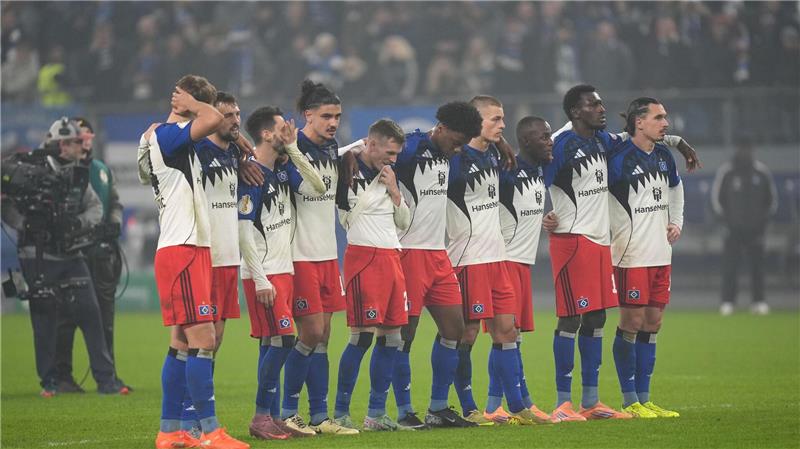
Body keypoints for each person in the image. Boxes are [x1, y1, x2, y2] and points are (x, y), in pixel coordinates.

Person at [545, 84, 699, 421]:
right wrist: (543, 214)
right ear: (575, 112)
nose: (602, 108)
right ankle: (562, 404)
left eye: (601, 103)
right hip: (573, 240)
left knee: (597, 319)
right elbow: (532, 166)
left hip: (601, 242)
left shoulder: (604, 142)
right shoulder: (561, 144)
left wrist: (678, 142)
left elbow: (636, 136)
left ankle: (591, 400)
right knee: (571, 318)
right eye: (594, 104)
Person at [335, 102, 484, 430]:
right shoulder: (412, 147)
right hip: (407, 251)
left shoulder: (451, 154)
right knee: (403, 334)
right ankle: (403, 411)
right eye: (456, 140)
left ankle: (439, 407)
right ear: (441, 129)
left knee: (455, 329)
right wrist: (348, 153)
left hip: (437, 252)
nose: (459, 148)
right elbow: (367, 149)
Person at [139, 75, 249, 449]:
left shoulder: (178, 140)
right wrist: (194, 105)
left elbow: (219, 131)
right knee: (203, 340)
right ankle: (211, 431)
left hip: (192, 247)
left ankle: (170, 431)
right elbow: (214, 121)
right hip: (182, 247)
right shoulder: (169, 136)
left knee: (182, 343)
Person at [1, 118, 126, 397]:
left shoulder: (78, 173)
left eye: (79, 142)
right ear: (59, 143)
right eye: (72, 142)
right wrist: (24, 224)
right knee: (44, 319)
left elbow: (95, 208)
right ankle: (50, 381)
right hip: (37, 254)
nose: (78, 146)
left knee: (92, 313)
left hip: (70, 252)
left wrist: (75, 225)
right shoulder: (29, 170)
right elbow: (7, 203)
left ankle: (106, 381)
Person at [447, 96, 540, 426]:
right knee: (467, 334)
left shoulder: (496, 158)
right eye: (496, 120)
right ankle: (469, 407)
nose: (503, 126)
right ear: (476, 121)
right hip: (468, 259)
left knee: (507, 331)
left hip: (499, 256)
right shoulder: (455, 160)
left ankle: (518, 408)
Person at [238, 106, 325, 440]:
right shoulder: (253, 176)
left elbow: (317, 187)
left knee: (271, 342)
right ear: (265, 134)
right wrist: (259, 278)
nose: (288, 131)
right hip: (264, 273)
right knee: (285, 338)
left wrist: (293, 149)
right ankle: (261, 416)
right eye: (281, 128)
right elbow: (244, 233)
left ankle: (272, 416)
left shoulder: (282, 171)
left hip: (283, 270)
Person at [279, 80, 357, 436]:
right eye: (326, 115)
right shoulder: (291, 149)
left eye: (337, 116)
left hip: (328, 255)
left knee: (324, 335)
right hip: (300, 255)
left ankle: (319, 417)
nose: (333, 122)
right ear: (307, 114)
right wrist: (292, 148)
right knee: (309, 332)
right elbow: (307, 186)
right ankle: (287, 413)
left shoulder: (332, 148)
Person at [178, 91, 253, 437]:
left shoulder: (234, 152)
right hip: (201, 258)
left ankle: (194, 414)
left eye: (237, 113)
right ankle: (187, 417)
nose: (235, 120)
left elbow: (238, 139)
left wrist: (245, 147)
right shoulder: (196, 152)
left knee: (215, 340)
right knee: (194, 341)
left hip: (227, 260)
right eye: (227, 115)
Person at [608, 97, 684, 418]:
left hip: (659, 253)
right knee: (632, 322)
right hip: (630, 253)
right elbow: (594, 192)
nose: (665, 123)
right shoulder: (619, 158)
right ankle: (629, 400)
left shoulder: (665, 155)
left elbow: (676, 189)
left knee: (653, 323)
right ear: (639, 122)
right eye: (658, 117)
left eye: (665, 117)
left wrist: (676, 221)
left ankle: (645, 397)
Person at [334, 119, 411, 431]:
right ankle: (340, 413)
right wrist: (350, 153)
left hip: (393, 256)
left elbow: (403, 221)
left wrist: (394, 189)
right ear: (371, 143)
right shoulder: (346, 167)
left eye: (396, 154)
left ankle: (376, 415)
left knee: (393, 338)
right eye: (388, 152)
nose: (392, 159)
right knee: (362, 336)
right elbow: (322, 157)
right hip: (364, 258)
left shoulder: (388, 175)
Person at [485, 116, 559, 424]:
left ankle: (495, 406)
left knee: (510, 337)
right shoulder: (506, 172)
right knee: (507, 335)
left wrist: (547, 219)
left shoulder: (538, 171)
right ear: (526, 142)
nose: (550, 141)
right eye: (544, 137)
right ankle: (517, 404)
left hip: (522, 263)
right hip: (503, 261)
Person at [54, 117, 130, 394]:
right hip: (71, 252)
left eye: (87, 134)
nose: (84, 139)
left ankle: (107, 377)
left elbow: (116, 202)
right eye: (79, 135)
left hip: (100, 252)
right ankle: (62, 376)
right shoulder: (61, 169)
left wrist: (114, 223)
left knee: (104, 317)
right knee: (66, 316)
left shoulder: (100, 170)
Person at [711, 141, 778, 316]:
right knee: (730, 267)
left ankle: (759, 301)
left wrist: (762, 225)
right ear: (737, 149)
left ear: (752, 150)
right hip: (732, 230)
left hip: (756, 231)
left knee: (757, 267)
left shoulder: (761, 173)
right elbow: (717, 201)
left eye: (748, 148)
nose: (745, 151)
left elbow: (771, 202)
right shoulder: (727, 172)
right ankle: (728, 302)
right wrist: (725, 223)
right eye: (742, 148)